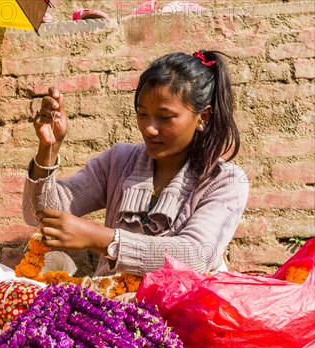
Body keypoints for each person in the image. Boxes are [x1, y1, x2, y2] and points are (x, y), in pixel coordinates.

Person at [22, 50, 249, 276]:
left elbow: (196, 256)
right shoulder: (119, 161)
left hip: (180, 309)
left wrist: (100, 238)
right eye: (142, 114)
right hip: (111, 306)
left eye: (165, 117)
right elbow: (41, 215)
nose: (149, 128)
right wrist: (48, 150)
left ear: (204, 116)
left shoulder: (225, 181)